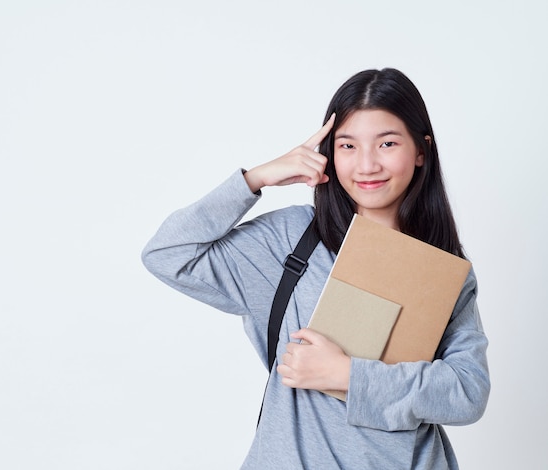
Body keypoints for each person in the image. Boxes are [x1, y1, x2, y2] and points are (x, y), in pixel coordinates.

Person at [141, 68, 490, 469]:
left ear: (421, 151)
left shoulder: (442, 269)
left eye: (387, 143)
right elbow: (167, 253)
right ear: (329, 153)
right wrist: (256, 179)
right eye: (347, 146)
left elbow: (468, 391)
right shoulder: (292, 240)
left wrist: (348, 375)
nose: (367, 165)